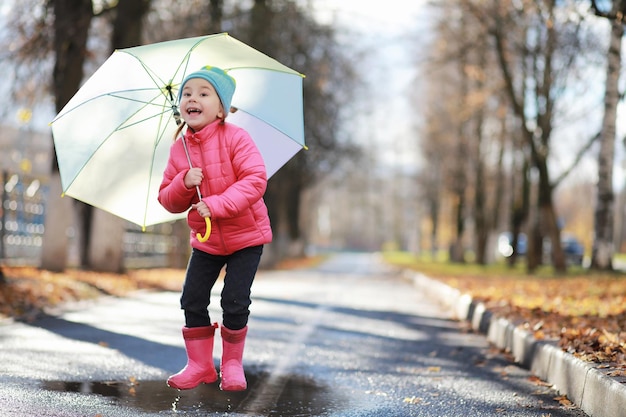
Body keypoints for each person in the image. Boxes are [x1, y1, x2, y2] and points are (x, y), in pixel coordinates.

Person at [158, 65, 272, 391]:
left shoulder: (236, 137)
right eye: (187, 94)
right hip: (206, 240)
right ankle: (200, 365)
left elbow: (254, 180)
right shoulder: (179, 150)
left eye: (203, 93)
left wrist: (217, 204)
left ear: (221, 108)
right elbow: (168, 199)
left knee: (235, 299)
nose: (192, 98)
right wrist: (183, 182)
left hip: (245, 236)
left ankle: (232, 364)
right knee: (192, 298)